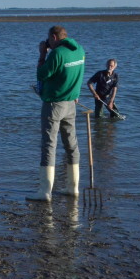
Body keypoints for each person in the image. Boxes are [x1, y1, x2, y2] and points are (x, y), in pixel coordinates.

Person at [27, 26, 85, 202]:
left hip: (54, 103)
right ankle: (73, 187)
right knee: (71, 143)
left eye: (49, 40)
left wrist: (43, 54)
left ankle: (45, 191)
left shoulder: (57, 54)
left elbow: (42, 74)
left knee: (49, 145)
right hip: (71, 102)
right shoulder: (79, 50)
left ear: (53, 37)